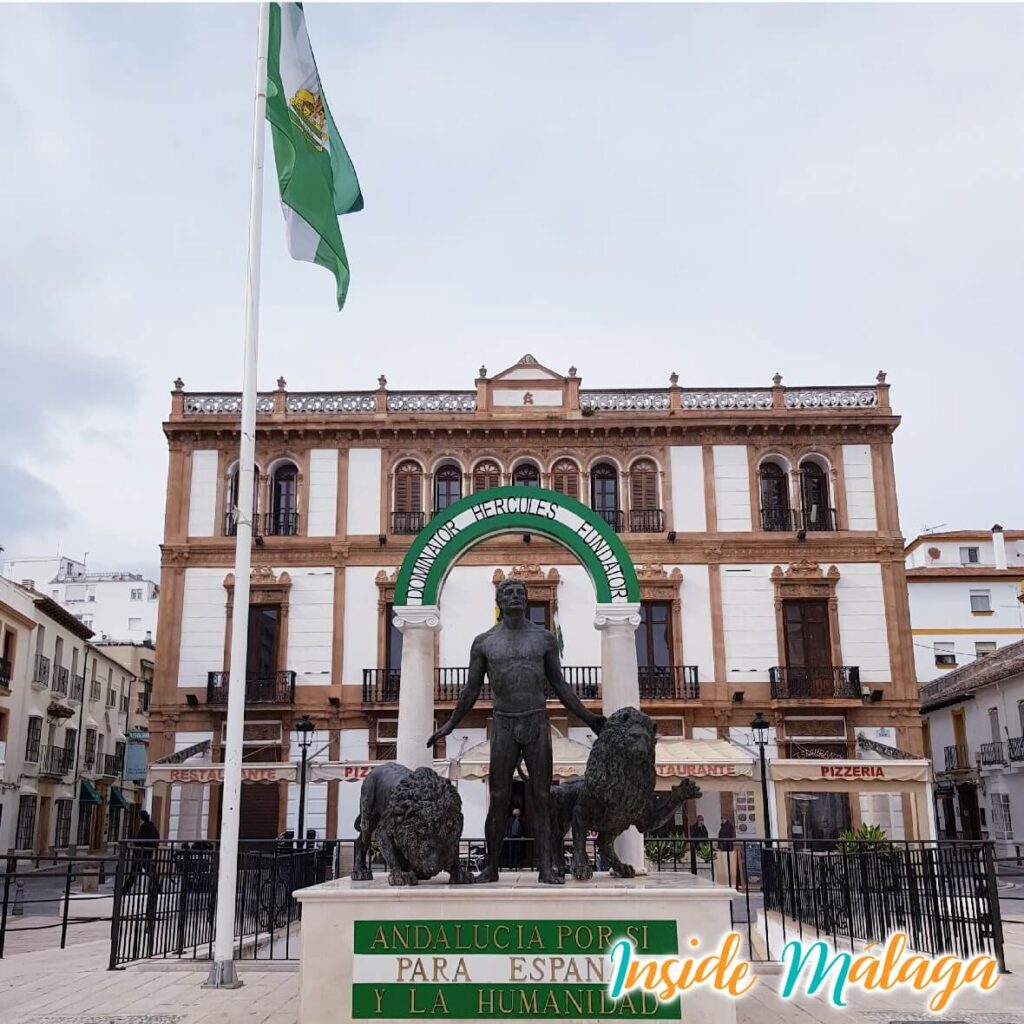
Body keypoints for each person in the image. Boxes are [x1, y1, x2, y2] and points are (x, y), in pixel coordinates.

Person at [428, 578, 605, 884]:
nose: (513, 597)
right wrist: (449, 725)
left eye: (519, 593)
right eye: (507, 593)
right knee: (498, 796)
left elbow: (560, 686)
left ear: (526, 599)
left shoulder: (544, 639)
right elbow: (470, 691)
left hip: (536, 721)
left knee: (542, 797)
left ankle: (547, 866)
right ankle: (491, 866)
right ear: (498, 600)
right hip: (504, 723)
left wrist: (589, 718)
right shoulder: (484, 642)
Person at [125, 810, 160, 893]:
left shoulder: (144, 826)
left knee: (135, 872)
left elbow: (140, 840)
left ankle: (125, 889)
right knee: (145, 871)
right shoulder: (152, 826)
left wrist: (135, 846)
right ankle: (125, 888)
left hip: (142, 853)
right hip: (147, 853)